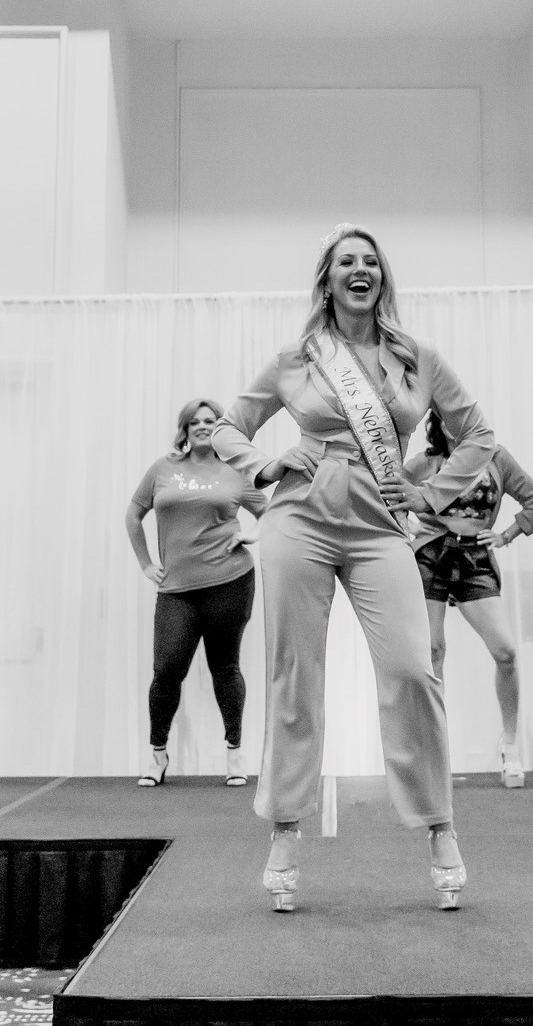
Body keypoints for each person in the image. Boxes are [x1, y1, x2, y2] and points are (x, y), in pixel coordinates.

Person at [212, 223, 495, 911]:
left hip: (379, 525)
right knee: (294, 673)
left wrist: (429, 494)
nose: (360, 269)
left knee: (412, 670)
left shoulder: (417, 359)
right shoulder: (296, 358)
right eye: (346, 261)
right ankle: (285, 827)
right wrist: (265, 464)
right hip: (300, 519)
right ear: (328, 280)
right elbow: (226, 427)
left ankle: (439, 824)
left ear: (382, 278)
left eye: (370, 261)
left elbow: (478, 435)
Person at [125, 398, 266, 788]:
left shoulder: (234, 471)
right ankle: (157, 755)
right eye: (195, 422)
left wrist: (250, 535)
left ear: (219, 429)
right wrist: (146, 563)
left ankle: (235, 755)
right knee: (166, 670)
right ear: (185, 429)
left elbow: (271, 511)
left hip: (230, 582)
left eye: (210, 421)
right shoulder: (163, 469)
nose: (203, 426)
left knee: (225, 669)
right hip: (176, 589)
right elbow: (133, 515)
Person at [406, 410, 533, 788]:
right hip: (430, 555)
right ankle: (435, 752)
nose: (455, 424)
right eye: (447, 417)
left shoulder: (496, 457)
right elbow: (387, 493)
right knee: (432, 652)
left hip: (474, 558)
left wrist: (505, 535)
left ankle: (510, 746)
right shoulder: (428, 461)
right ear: (438, 422)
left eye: (461, 416)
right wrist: (405, 526)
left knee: (506, 652)